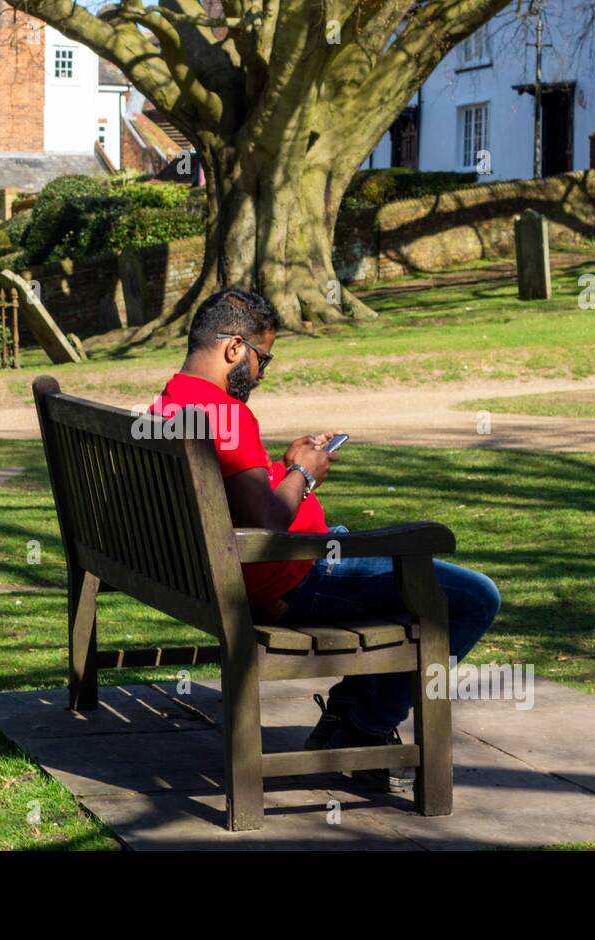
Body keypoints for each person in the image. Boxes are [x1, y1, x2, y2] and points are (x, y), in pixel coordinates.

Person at [148, 288, 499, 792]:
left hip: (241, 572)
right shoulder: (225, 413)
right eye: (262, 358)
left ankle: (352, 716)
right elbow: (266, 520)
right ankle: (362, 725)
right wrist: (304, 475)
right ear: (233, 349)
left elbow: (236, 493)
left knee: (401, 586)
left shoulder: (174, 401)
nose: (263, 373)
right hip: (292, 577)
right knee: (472, 597)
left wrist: (282, 467)